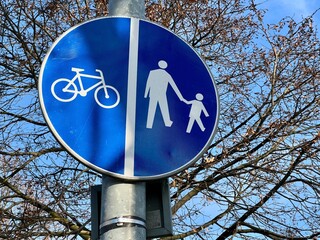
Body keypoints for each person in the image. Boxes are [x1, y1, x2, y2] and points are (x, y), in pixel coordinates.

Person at [144, 60, 184, 129]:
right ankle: (167, 122)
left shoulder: (153, 72)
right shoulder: (167, 75)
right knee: (164, 108)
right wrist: (181, 97)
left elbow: (148, 83)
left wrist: (146, 94)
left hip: (154, 93)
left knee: (152, 109)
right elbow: (174, 87)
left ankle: (149, 124)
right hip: (161, 94)